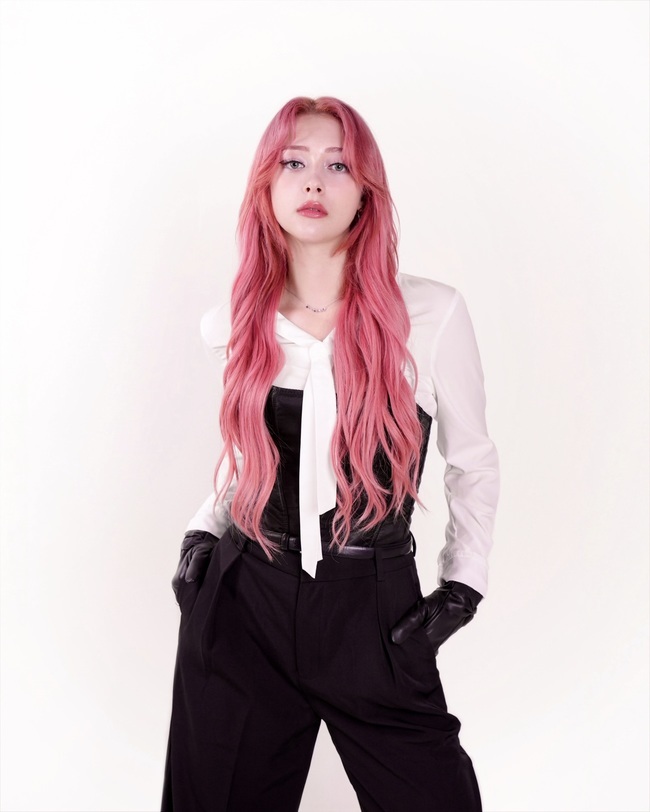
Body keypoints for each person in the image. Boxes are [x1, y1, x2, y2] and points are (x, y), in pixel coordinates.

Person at [161, 96, 499, 812]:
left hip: (371, 607)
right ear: (267, 186)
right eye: (294, 162)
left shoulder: (430, 315)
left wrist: (462, 585)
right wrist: (200, 534)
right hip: (245, 596)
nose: (314, 180)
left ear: (365, 191)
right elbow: (248, 460)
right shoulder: (233, 323)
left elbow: (472, 460)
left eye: (338, 165)